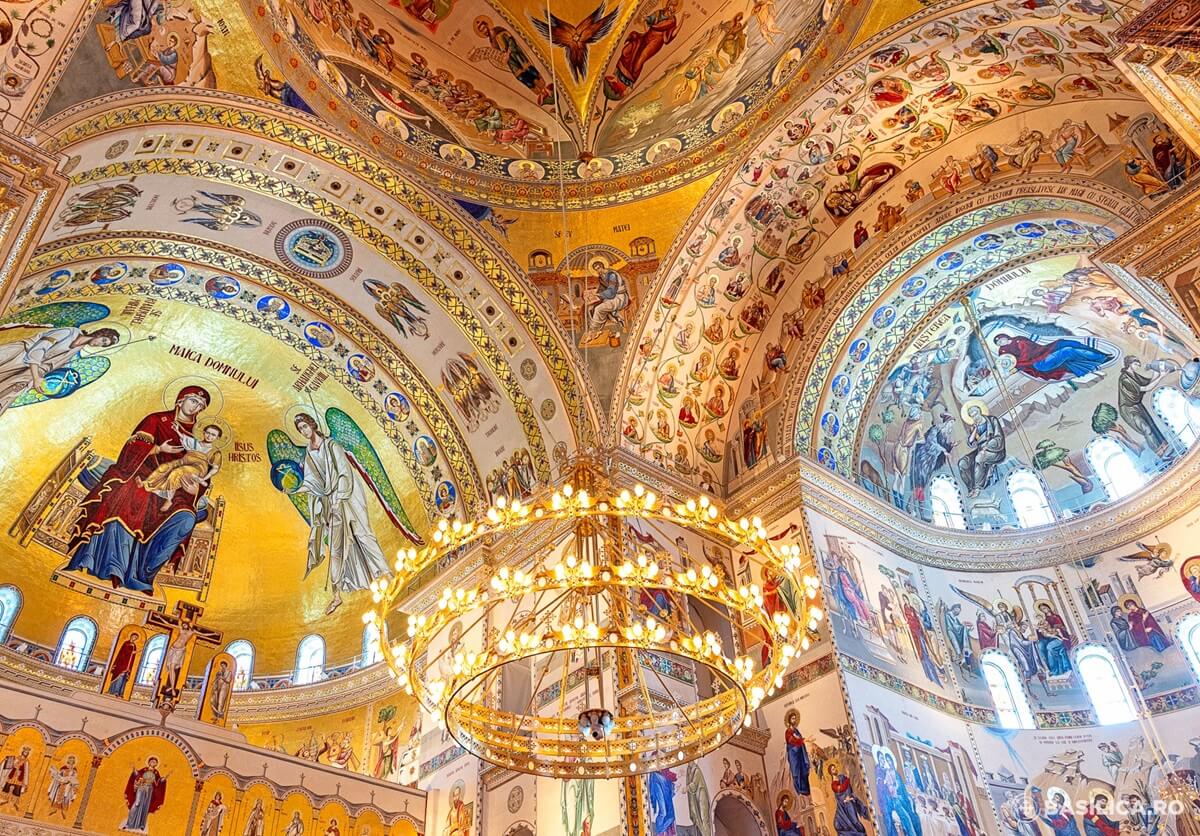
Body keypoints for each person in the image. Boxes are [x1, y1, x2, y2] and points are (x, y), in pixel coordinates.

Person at [67, 386, 213, 593]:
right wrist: (157, 449)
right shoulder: (156, 420)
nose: (196, 406)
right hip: (139, 472)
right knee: (132, 496)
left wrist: (193, 490)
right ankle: (112, 565)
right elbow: (131, 449)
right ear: (180, 400)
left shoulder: (196, 438)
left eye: (201, 405)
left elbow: (199, 473)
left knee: (186, 518)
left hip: (173, 486)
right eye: (193, 401)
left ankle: (143, 575)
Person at [289, 412, 392, 615]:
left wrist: (339, 496)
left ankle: (387, 574)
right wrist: (295, 488)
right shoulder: (309, 454)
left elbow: (344, 472)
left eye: (305, 426)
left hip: (349, 496)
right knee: (336, 546)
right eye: (300, 429)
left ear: (313, 425)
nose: (304, 431)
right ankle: (337, 596)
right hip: (330, 502)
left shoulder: (332, 446)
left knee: (362, 534)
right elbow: (312, 482)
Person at [0, 323, 119, 419]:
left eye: (104, 345)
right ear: (99, 334)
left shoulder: (76, 350)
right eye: (103, 340)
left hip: (28, 367)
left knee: (18, 387)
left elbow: (50, 365)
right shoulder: (69, 332)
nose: (100, 344)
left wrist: (41, 380)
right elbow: (39, 348)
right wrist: (36, 377)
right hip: (19, 353)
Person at [141, 423, 223, 511]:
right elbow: (184, 438)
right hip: (184, 461)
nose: (209, 436)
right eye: (208, 433)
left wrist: (203, 478)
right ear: (204, 432)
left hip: (198, 468)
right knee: (164, 467)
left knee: (177, 472)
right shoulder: (195, 442)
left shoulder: (215, 452)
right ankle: (146, 483)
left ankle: (169, 500)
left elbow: (215, 468)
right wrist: (177, 430)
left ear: (217, 438)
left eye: (213, 435)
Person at [993, 332, 1112, 383]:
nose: (1001, 343)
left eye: (1001, 340)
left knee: (1064, 343)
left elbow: (1032, 349)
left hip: (1043, 353)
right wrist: (1015, 364)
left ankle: (1098, 353)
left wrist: (1019, 362)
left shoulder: (1018, 339)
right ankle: (1101, 358)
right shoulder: (1005, 352)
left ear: (1004, 336)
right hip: (1040, 364)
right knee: (1067, 351)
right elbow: (1014, 361)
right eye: (998, 343)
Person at [1118, 357, 1169, 457]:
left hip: (1138, 405)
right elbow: (1146, 388)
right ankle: (1161, 454)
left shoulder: (1134, 375)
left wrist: (1156, 368)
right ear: (1129, 364)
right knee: (1146, 429)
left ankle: (1165, 450)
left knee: (1152, 426)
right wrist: (1161, 377)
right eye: (1136, 364)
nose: (1138, 366)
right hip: (1128, 409)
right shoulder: (1124, 379)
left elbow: (1149, 382)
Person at [958, 404, 1006, 497]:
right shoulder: (974, 427)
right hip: (980, 450)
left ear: (980, 412)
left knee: (979, 458)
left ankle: (977, 488)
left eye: (975, 414)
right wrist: (975, 429)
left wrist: (986, 447)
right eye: (972, 416)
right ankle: (970, 488)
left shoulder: (992, 421)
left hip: (995, 450)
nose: (974, 417)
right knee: (962, 463)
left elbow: (999, 438)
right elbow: (971, 443)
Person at [121, 757, 167, 833]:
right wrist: (135, 771)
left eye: (155, 762)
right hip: (141, 788)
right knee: (136, 803)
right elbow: (138, 775)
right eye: (152, 761)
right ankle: (129, 823)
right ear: (149, 762)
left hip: (149, 791)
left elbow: (158, 783)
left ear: (156, 764)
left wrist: (162, 780)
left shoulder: (156, 772)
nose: (153, 763)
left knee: (145, 806)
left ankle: (142, 825)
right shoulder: (144, 770)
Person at [784, 710, 811, 796]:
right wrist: (801, 740)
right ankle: (799, 789)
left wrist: (801, 741)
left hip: (800, 754)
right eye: (792, 719)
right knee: (796, 772)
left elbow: (799, 740)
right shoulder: (788, 732)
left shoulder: (796, 731)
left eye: (795, 719)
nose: (794, 720)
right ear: (789, 720)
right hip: (793, 755)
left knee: (803, 770)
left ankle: (806, 789)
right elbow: (791, 741)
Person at [46, 754, 79, 818]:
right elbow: (59, 775)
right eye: (70, 760)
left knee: (65, 798)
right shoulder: (64, 768)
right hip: (61, 785)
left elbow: (74, 779)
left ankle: (63, 811)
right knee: (57, 797)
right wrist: (56, 775)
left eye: (72, 761)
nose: (71, 762)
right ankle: (54, 809)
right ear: (68, 761)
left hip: (68, 786)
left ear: (74, 762)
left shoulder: (74, 771)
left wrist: (69, 782)